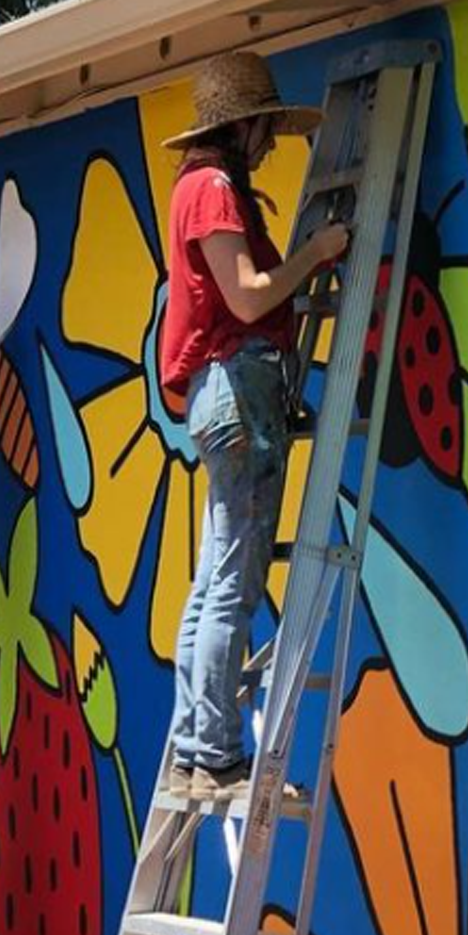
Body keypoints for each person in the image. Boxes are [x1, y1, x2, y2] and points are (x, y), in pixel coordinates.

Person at [160, 52, 350, 800]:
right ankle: (215, 756)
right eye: (268, 127)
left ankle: (193, 746)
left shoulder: (198, 188)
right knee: (232, 582)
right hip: (237, 388)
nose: (272, 142)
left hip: (224, 391)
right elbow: (244, 298)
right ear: (246, 124)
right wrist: (317, 254)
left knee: (215, 576)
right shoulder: (210, 189)